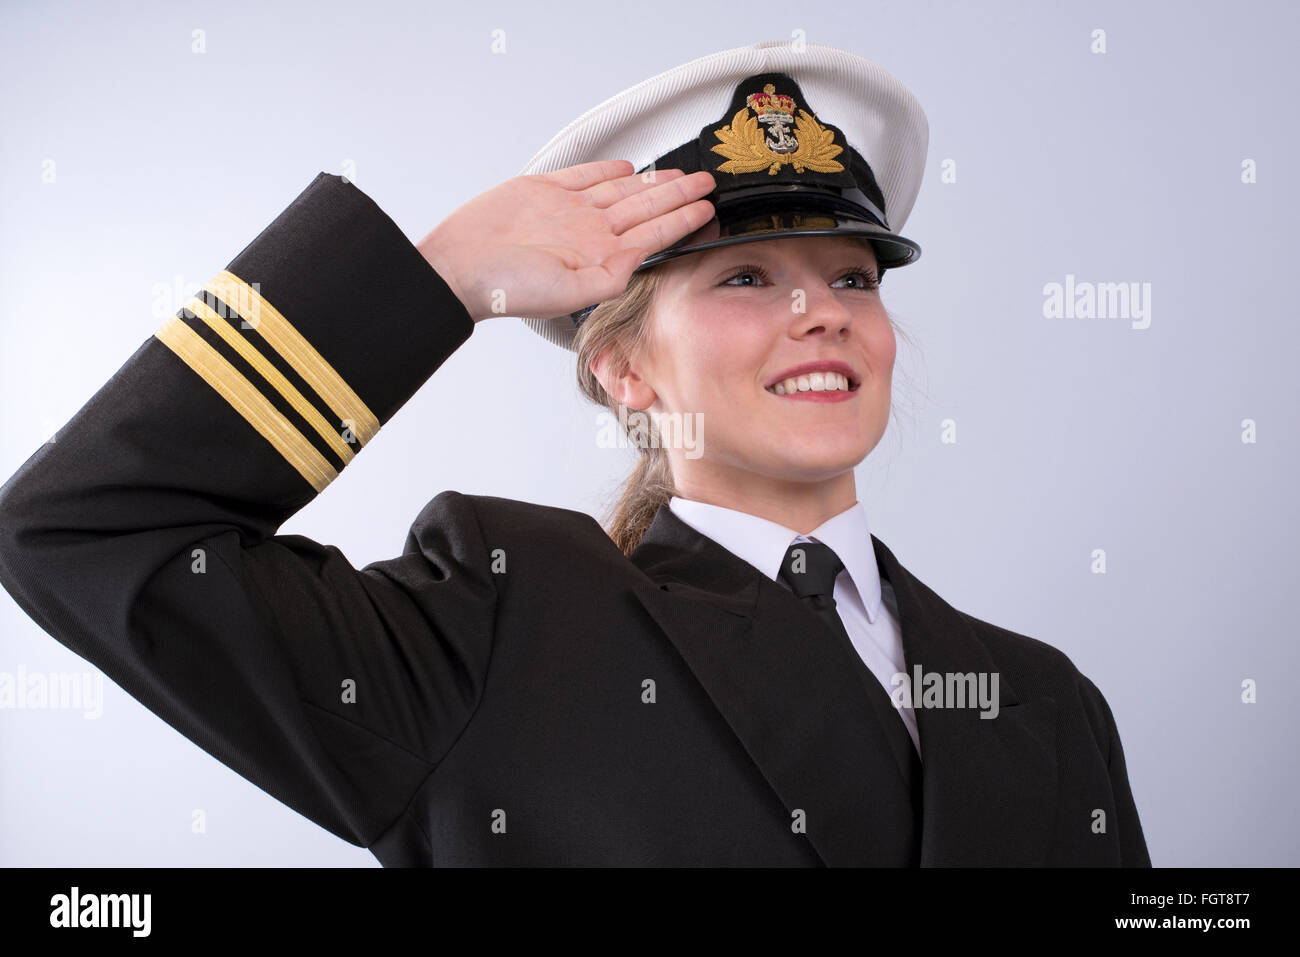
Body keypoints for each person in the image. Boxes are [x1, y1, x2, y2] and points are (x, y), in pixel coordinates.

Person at [0, 41, 1150, 866]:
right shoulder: (492, 622)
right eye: (747, 278)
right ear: (622, 370)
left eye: (852, 277)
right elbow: (84, 529)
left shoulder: (1045, 698)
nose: (823, 315)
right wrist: (439, 277)